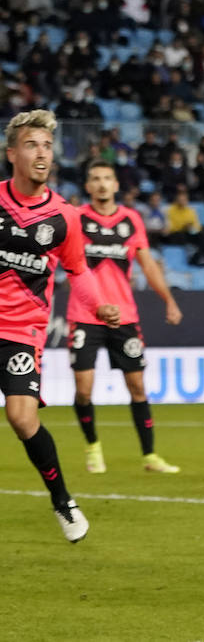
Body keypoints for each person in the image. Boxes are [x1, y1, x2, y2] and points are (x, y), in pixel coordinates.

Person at [2, 111, 122, 542]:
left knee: (21, 418)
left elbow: (79, 272)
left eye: (47, 146)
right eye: (32, 145)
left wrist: (100, 305)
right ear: (12, 153)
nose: (41, 153)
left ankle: (62, 500)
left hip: (21, 331)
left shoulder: (63, 217)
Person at [68, 161, 183, 475]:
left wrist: (168, 300)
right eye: (95, 179)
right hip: (85, 314)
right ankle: (92, 447)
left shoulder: (132, 220)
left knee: (137, 387)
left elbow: (147, 265)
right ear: (88, 186)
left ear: (117, 185)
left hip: (125, 317)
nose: (102, 184)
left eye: (107, 178)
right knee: (83, 389)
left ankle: (150, 455)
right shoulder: (77, 219)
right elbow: (60, 263)